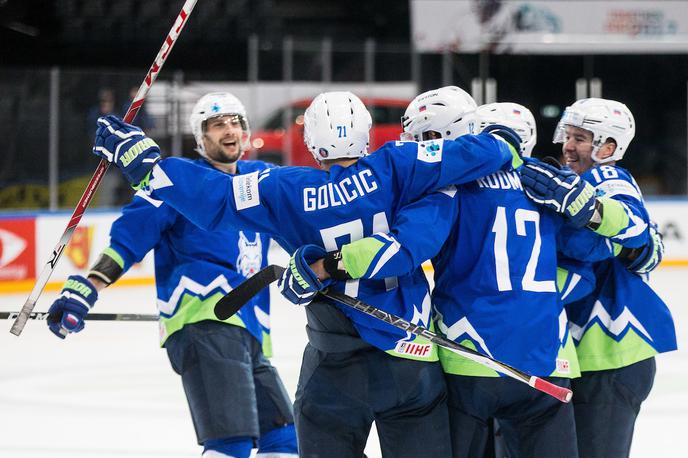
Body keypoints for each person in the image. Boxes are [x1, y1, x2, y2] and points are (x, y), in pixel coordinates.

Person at [89, 87, 523, 457]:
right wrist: (504, 140)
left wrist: (144, 162)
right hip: (409, 359)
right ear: (368, 136)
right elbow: (477, 154)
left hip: (333, 364)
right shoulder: (400, 165)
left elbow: (214, 197)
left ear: (312, 144)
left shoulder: (284, 188)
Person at [293, 99, 624, 458]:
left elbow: (408, 247)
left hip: (469, 357)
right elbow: (599, 249)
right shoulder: (543, 182)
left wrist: (326, 266)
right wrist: (594, 211)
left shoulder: (450, 188)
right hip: (545, 356)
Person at [47, 92, 298, 458]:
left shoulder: (261, 179)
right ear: (201, 138)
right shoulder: (176, 183)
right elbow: (130, 238)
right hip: (204, 321)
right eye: (217, 125)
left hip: (249, 331)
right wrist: (89, 285)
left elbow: (305, 215)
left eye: (235, 122)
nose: (229, 130)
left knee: (284, 440)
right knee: (231, 444)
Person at [518, 97, 677, 457]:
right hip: (588, 357)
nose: (568, 146)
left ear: (608, 147)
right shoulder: (571, 180)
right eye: (567, 135)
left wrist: (577, 211)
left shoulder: (608, 179)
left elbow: (624, 237)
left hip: (611, 354)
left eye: (580, 138)